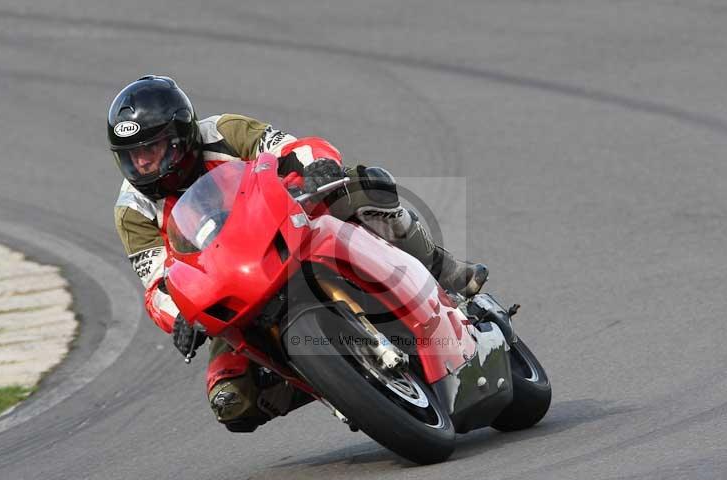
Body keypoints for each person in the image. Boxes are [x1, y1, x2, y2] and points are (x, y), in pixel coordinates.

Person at [109, 75, 488, 432]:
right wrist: (180, 318)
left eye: (151, 149)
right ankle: (339, 383)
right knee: (231, 401)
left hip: (288, 229)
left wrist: (315, 166)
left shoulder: (223, 132)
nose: (141, 163)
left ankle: (441, 266)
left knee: (366, 185)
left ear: (179, 137)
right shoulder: (133, 210)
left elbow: (287, 147)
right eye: (132, 155)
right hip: (234, 285)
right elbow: (158, 281)